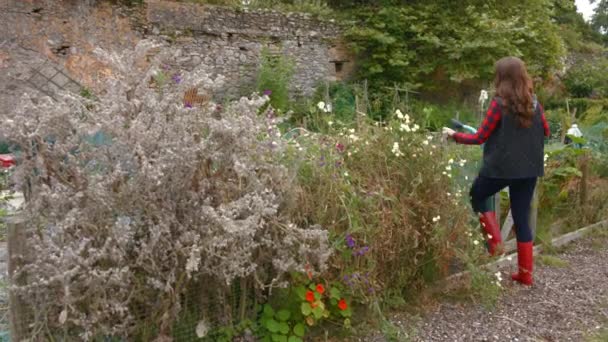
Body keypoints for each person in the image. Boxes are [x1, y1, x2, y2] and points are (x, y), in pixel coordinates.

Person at [442, 57, 550, 286]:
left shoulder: (499, 103)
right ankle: (525, 275)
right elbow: (547, 132)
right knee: (522, 218)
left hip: (500, 168)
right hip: (529, 169)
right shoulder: (535, 104)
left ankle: (495, 244)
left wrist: (454, 136)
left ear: (502, 77)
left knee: (478, 195)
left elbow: (480, 137)